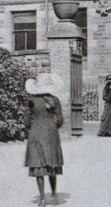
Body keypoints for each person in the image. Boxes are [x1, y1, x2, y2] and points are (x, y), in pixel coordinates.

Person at [25, 72, 64, 207]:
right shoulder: (54, 100)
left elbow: (26, 121)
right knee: (52, 162)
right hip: (51, 132)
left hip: (36, 132)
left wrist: (32, 127)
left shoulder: (31, 100)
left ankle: (42, 199)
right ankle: (53, 193)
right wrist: (52, 125)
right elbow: (60, 121)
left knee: (38, 165)